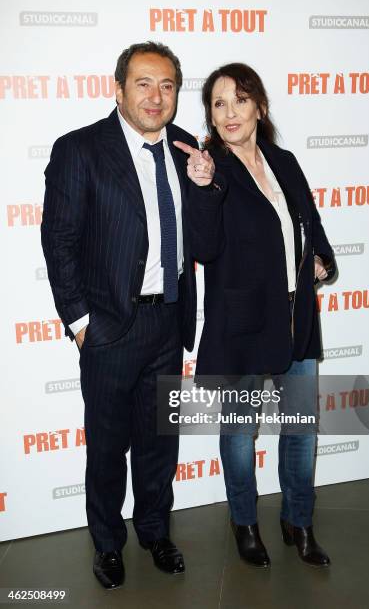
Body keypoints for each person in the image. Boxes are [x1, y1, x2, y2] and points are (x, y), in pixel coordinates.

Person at [41, 42, 222, 589]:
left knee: (158, 442)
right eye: (143, 83)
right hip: (110, 328)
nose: (156, 96)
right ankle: (107, 543)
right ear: (117, 88)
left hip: (169, 322)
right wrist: (79, 323)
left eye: (167, 85)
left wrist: (208, 188)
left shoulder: (190, 150)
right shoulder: (80, 150)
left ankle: (154, 530)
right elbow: (60, 241)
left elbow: (206, 240)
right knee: (106, 444)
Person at [175, 62, 335, 568]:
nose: (229, 112)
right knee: (240, 435)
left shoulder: (284, 160)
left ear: (259, 107)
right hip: (242, 327)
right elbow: (201, 245)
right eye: (218, 104)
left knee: (300, 429)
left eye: (239, 100)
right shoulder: (211, 168)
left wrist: (322, 257)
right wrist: (202, 188)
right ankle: (244, 521)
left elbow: (307, 218)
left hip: (297, 320)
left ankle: (298, 520)